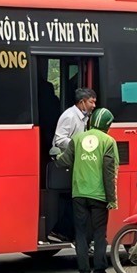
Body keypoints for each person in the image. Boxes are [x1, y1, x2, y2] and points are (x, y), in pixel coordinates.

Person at [55, 108, 119, 273]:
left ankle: (83, 271)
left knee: (81, 233)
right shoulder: (108, 141)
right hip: (98, 196)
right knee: (99, 233)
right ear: (107, 124)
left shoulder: (77, 139)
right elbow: (109, 172)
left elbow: (64, 161)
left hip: (79, 193)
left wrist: (55, 156)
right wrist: (112, 199)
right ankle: (99, 271)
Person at [49, 88, 98, 243]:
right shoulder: (69, 116)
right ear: (82, 102)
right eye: (91, 101)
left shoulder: (83, 117)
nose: (94, 105)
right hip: (67, 163)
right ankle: (61, 232)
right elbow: (59, 139)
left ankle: (69, 234)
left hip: (76, 162)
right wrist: (78, 144)